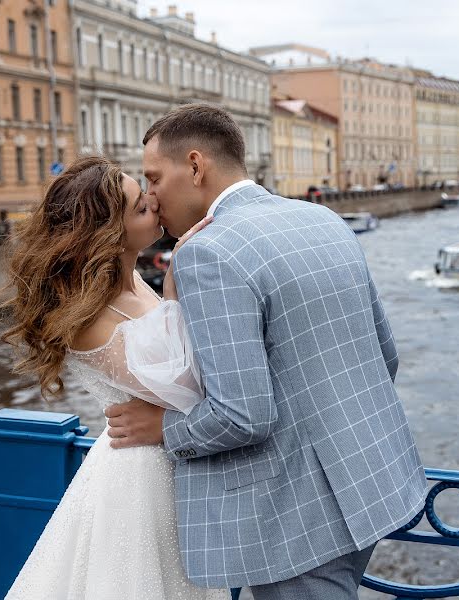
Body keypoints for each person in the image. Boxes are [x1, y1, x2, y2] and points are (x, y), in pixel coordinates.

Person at [104, 103, 428, 599]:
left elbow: (242, 415)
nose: (149, 195)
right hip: (371, 482)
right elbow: (385, 356)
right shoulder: (320, 218)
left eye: (153, 177)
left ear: (195, 166)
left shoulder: (208, 252)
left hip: (293, 516)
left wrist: (162, 428)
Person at [0, 155, 224, 599]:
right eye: (140, 207)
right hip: (139, 481)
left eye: (146, 194)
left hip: (166, 463)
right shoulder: (87, 318)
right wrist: (175, 292)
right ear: (109, 236)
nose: (154, 203)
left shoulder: (132, 279)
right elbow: (185, 387)